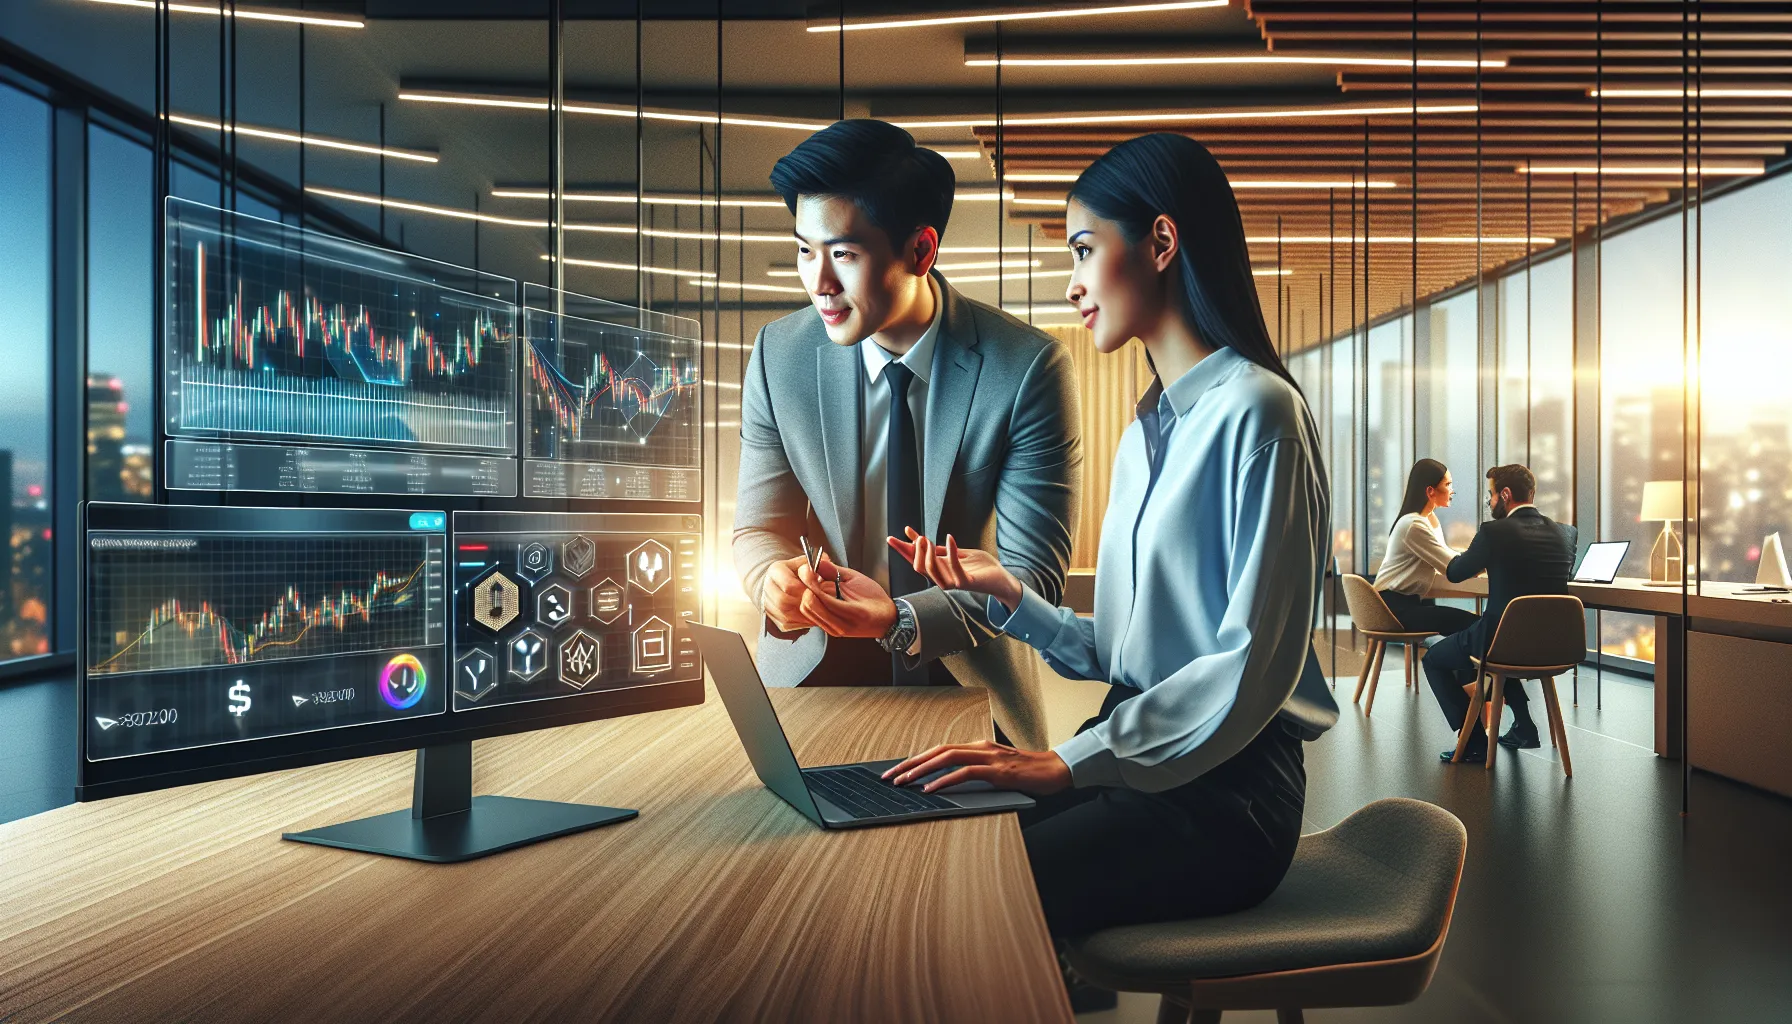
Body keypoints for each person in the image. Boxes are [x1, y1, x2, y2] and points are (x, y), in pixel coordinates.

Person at [859, 133, 1332, 948]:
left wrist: (1071, 761)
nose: (1073, 284)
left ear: (1160, 241)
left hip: (1228, 798)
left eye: (1085, 249)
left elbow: (1249, 669)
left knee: (971, 897)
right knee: (937, 837)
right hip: (1138, 749)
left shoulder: (1262, 415)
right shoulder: (1147, 428)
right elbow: (1129, 656)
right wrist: (1013, 601)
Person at [733, 119, 1082, 751]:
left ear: (920, 251)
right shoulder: (777, 355)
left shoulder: (1027, 369)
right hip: (816, 674)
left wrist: (898, 621)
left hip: (969, 682)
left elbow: (1033, 578)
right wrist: (769, 584)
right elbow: (758, 529)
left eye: (843, 254)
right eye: (805, 250)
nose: (818, 283)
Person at [1422, 463, 1578, 762]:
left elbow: (1455, 572)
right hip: (1555, 647)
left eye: (1491, 495)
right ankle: (1523, 726)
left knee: (1433, 660)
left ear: (1505, 495)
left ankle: (1475, 742)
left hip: (1501, 643)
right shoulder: (1566, 533)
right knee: (1508, 643)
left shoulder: (1494, 532)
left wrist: (1483, 558)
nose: (1490, 502)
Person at [1374, 458, 1478, 638]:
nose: (1452, 491)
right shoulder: (1413, 525)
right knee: (1476, 625)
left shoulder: (1428, 520)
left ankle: (1465, 664)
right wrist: (1484, 560)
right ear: (1430, 491)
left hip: (1404, 604)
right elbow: (1449, 564)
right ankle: (1470, 665)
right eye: (1448, 484)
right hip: (1394, 610)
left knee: (1472, 624)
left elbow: (1444, 557)